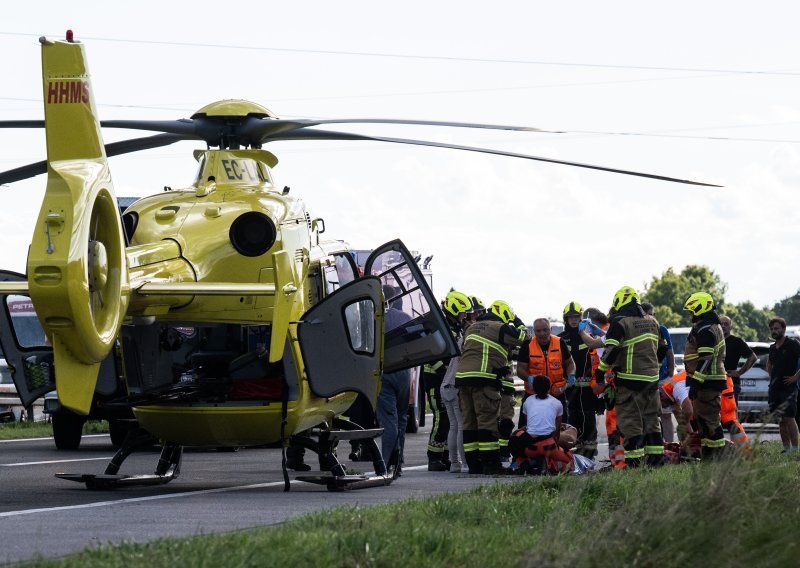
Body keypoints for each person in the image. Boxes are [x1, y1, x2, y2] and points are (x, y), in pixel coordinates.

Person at [595, 286, 666, 467]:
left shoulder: (620, 322)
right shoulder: (652, 321)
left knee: (630, 422)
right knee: (652, 421)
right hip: (651, 381)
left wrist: (600, 371)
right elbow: (662, 349)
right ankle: (656, 462)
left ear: (619, 302)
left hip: (629, 382)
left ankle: (634, 464)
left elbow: (611, 350)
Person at [455, 299, 527, 474]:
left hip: (463, 380)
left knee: (469, 423)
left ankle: (474, 465)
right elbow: (523, 338)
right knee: (487, 421)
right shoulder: (500, 327)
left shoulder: (471, 328)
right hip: (484, 380)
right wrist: (517, 321)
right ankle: (491, 464)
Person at [430, 290, 473, 472]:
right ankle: (434, 457)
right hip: (435, 376)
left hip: (446, 378)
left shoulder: (454, 327)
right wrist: (444, 369)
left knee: (451, 422)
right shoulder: (440, 325)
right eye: (463, 313)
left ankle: (449, 458)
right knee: (442, 419)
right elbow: (431, 352)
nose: (464, 317)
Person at [683, 292, 727, 459]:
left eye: (692, 310)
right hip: (708, 381)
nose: (690, 314)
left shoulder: (705, 329)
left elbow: (706, 359)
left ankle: (715, 458)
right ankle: (710, 456)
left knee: (710, 421)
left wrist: (696, 383)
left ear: (699, 308)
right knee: (704, 420)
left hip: (707, 382)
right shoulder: (709, 326)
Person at [376, 285, 413, 473]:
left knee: (389, 420)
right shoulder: (405, 318)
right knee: (401, 418)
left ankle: (385, 463)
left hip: (384, 373)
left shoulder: (375, 319)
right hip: (404, 373)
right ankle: (399, 461)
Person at [559, 301, 603, 458]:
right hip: (568, 388)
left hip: (588, 390)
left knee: (588, 419)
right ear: (565, 319)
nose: (573, 320)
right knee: (570, 418)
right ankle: (570, 452)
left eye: (576, 316)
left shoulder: (589, 337)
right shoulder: (560, 339)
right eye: (570, 317)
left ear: (581, 317)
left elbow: (604, 349)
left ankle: (589, 453)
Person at [508, 375, 574, 474]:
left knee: (516, 436)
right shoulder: (557, 403)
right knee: (570, 463)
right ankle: (545, 462)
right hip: (549, 446)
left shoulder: (528, 401)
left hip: (530, 447)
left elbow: (527, 425)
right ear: (549, 387)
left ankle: (521, 463)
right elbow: (557, 431)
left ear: (533, 388)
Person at [516, 318, 575, 429]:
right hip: (534, 394)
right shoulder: (527, 345)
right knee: (526, 427)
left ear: (550, 330)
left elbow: (570, 363)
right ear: (534, 331)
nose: (542, 334)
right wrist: (529, 378)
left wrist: (571, 375)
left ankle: (559, 445)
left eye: (545, 330)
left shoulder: (559, 342)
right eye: (538, 331)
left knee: (561, 427)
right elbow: (520, 369)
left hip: (557, 393)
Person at [642, 302, 677, 442]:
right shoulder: (639, 331)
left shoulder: (662, 330)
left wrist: (670, 374)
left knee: (666, 414)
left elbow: (669, 351)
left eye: (653, 315)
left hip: (662, 378)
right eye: (648, 315)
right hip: (646, 379)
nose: (652, 318)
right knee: (649, 415)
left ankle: (669, 445)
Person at [766, 316, 800, 452]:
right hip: (774, 389)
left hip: (789, 388)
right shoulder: (772, 347)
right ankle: (786, 449)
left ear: (783, 329)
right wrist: (771, 373)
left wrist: (795, 377)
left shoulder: (793, 344)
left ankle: (795, 450)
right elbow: (770, 363)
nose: (774, 331)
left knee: (790, 418)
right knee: (780, 419)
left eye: (777, 328)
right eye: (772, 329)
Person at [720, 315, 756, 408]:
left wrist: (739, 372)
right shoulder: (713, 342)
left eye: (726, 324)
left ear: (730, 327)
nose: (723, 326)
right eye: (721, 324)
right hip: (715, 384)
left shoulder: (736, 341)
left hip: (732, 383)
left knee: (730, 414)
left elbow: (753, 357)